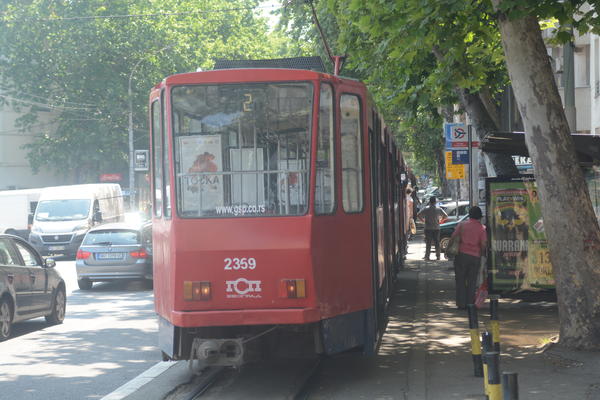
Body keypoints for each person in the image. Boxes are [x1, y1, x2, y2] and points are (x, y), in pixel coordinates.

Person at [451, 206, 487, 309]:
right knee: (472, 281)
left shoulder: (462, 225)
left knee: (460, 280)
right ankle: (470, 304)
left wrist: (448, 250)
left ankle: (461, 304)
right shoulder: (482, 228)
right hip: (475, 257)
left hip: (461, 256)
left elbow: (453, 237)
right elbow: (484, 244)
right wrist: (483, 254)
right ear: (480, 216)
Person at [417, 196, 448, 261]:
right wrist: (440, 221)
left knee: (428, 242)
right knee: (437, 242)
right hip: (436, 228)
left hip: (428, 228)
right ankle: (438, 256)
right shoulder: (438, 209)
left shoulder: (426, 209)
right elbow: (446, 216)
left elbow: (418, 215)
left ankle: (427, 256)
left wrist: (423, 221)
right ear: (435, 202)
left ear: (430, 202)